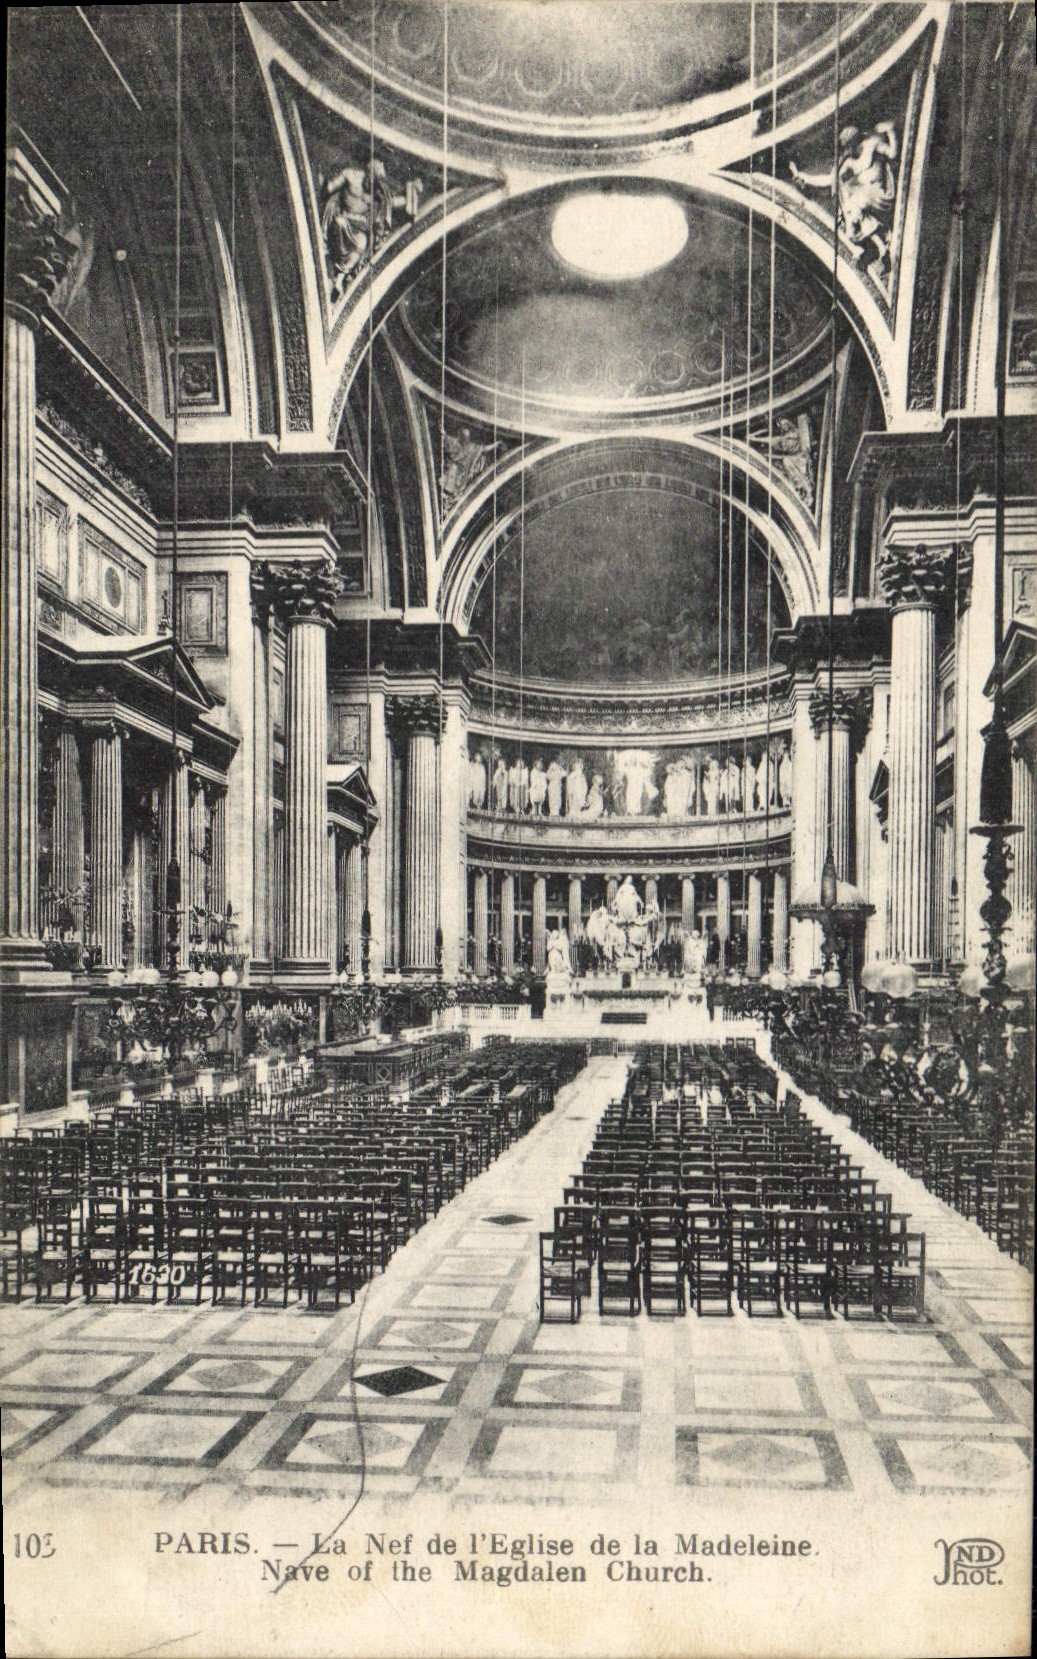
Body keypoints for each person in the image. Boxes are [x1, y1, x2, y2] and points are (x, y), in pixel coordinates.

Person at [790, 121, 899, 274]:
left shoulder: (872, 144)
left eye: (849, 145)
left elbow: (892, 154)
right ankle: (880, 250)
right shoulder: (848, 161)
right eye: (846, 146)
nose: (848, 149)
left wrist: (891, 131)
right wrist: (805, 178)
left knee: (853, 202)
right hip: (861, 197)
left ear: (856, 140)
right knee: (849, 205)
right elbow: (830, 180)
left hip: (877, 192)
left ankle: (872, 244)